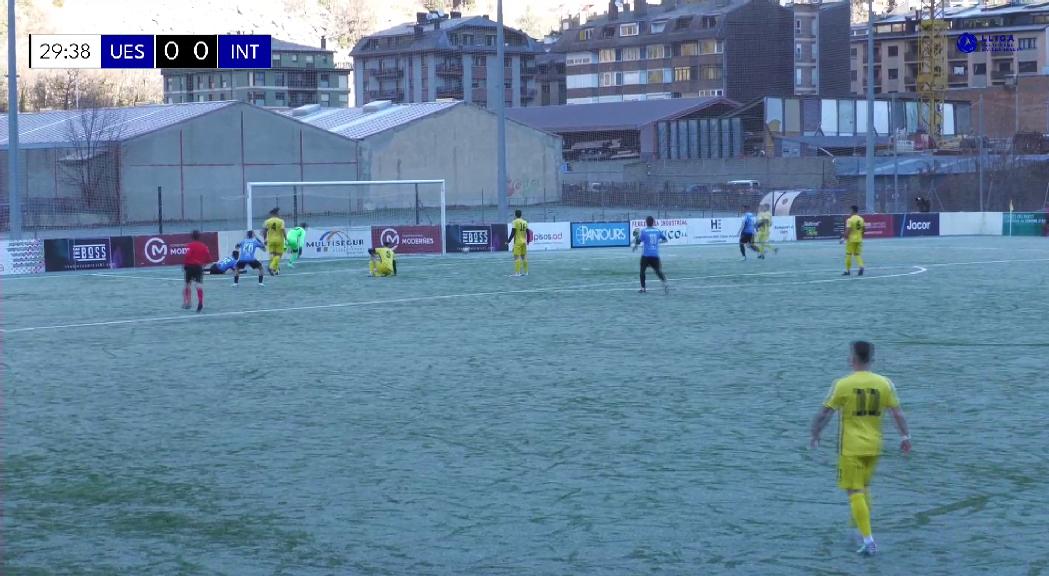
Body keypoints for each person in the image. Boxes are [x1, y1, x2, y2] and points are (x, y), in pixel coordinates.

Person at [810, 341, 911, 557]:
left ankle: (868, 540)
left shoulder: (842, 384)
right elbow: (897, 413)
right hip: (874, 446)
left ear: (852, 358)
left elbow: (825, 413)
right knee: (864, 487)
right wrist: (905, 436)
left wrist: (815, 432)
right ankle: (857, 531)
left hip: (851, 447)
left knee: (854, 491)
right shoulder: (885, 383)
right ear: (871, 359)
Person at [633, 215, 669, 294]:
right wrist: (658, 242)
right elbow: (665, 240)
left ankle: (643, 288)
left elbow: (639, 241)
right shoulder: (657, 231)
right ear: (653, 222)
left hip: (646, 255)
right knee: (658, 271)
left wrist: (635, 245)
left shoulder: (644, 231)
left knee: (642, 271)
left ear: (646, 222)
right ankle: (665, 283)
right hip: (655, 255)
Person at [183, 230, 212, 312]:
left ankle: (188, 302)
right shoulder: (204, 246)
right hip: (198, 267)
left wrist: (185, 265)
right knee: (198, 285)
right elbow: (209, 258)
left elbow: (187, 256)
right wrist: (203, 264)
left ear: (192, 236)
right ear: (199, 236)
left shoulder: (190, 245)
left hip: (189, 267)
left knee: (187, 285)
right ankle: (200, 302)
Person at [842, 205, 866, 276]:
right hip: (859, 239)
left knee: (848, 254)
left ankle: (847, 271)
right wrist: (861, 236)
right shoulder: (861, 219)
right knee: (857, 254)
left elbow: (848, 230)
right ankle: (861, 266)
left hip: (851, 240)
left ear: (852, 210)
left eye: (850, 210)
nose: (849, 212)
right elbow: (864, 229)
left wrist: (844, 238)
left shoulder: (850, 220)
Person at [262, 207, 286, 276]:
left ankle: (275, 269)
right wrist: (286, 238)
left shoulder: (267, 221)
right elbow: (283, 230)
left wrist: (265, 239)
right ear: (277, 213)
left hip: (270, 240)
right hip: (279, 240)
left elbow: (264, 231)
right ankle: (271, 267)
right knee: (279, 255)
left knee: (272, 254)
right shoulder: (281, 221)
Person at [508, 209, 531, 277]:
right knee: (524, 257)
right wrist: (528, 240)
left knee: (516, 257)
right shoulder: (525, 222)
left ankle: (517, 273)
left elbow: (513, 232)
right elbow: (528, 232)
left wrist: (508, 241)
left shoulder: (515, 222)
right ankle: (526, 272)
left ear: (515, 215)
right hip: (524, 242)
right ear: (521, 215)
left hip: (518, 242)